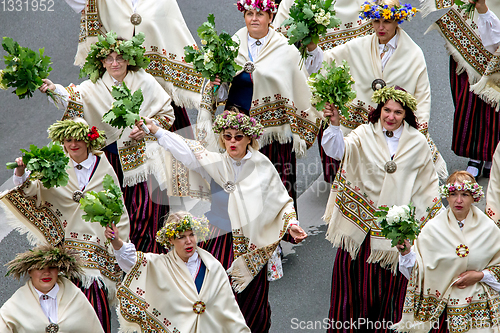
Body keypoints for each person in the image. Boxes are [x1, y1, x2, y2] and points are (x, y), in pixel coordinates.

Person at [39, 31, 209, 254]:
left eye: (119, 58)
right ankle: (120, 255)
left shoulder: (145, 81)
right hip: (110, 159)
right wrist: (54, 90)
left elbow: (167, 115)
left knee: (144, 212)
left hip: (143, 161)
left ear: (128, 59)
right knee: (116, 211)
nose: (115, 63)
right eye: (109, 59)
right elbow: (74, 97)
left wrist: (148, 129)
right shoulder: (95, 86)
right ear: (102, 62)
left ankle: (146, 257)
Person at [139, 110, 308, 332]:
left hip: (250, 245)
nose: (232, 141)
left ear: (250, 138)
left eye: (238, 137)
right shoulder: (217, 163)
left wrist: (292, 224)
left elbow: (281, 202)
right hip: (218, 239)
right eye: (227, 136)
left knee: (252, 303)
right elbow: (187, 149)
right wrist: (157, 131)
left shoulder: (262, 165)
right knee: (215, 299)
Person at [322, 86, 443, 332]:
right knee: (353, 292)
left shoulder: (418, 142)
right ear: (379, 110)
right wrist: (334, 125)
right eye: (387, 110)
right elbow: (338, 151)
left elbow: (427, 185)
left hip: (394, 235)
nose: (391, 116)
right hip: (361, 230)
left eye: (398, 112)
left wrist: (436, 226)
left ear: (406, 114)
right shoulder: (364, 133)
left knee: (387, 296)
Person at [0, 119, 130, 333]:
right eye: (68, 140)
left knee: (94, 314)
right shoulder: (56, 166)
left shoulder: (104, 168)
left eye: (78, 139)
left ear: (88, 140)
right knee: (60, 316)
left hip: (94, 258)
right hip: (63, 250)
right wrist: (21, 173)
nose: (73, 144)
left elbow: (119, 209)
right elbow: (33, 190)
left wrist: (118, 241)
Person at [201, 0, 322, 206]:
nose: (254, 19)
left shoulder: (285, 49)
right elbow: (220, 91)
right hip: (237, 131)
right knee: (238, 187)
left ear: (271, 17)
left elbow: (299, 86)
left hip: (273, 135)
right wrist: (216, 83)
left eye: (260, 14)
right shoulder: (232, 44)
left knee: (274, 186)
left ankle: (276, 233)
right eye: (249, 14)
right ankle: (239, 235)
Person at [318, 0, 448, 181]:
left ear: (397, 21)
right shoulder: (358, 46)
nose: (380, 27)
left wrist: (420, 128)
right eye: (376, 21)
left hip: (395, 127)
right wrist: (310, 48)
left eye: (386, 21)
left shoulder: (413, 54)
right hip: (361, 126)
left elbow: (422, 95)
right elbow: (325, 60)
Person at [64, 0, 203, 136]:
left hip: (158, 88)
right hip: (115, 83)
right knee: (115, 134)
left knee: (170, 145)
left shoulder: (164, 2)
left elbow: (176, 32)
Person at [274, 0, 373, 184]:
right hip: (318, 79)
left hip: (356, 78)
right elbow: (279, 35)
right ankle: (338, 186)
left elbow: (376, 29)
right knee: (329, 128)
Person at [105, 211, 251, 333]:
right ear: (171, 240)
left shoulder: (213, 267)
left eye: (192, 235)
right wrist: (115, 240)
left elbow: (229, 309)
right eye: (181, 237)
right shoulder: (159, 265)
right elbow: (131, 260)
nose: (188, 241)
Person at [394, 171, 500, 332]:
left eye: (465, 194)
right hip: (442, 307)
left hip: (478, 306)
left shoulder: (489, 228)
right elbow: (419, 272)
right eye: (453, 194)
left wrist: (480, 275)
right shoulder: (432, 229)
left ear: (474, 197)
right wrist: (407, 253)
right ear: (447, 196)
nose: (458, 200)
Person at [422, 0, 500, 178]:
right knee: (467, 98)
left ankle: (490, 155)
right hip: (467, 42)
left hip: (495, 42)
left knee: (492, 99)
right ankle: (474, 155)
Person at [0, 244, 105, 333]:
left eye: (52, 267)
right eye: (40, 268)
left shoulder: (75, 297)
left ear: (58, 270)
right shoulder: (16, 304)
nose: (46, 273)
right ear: (29, 272)